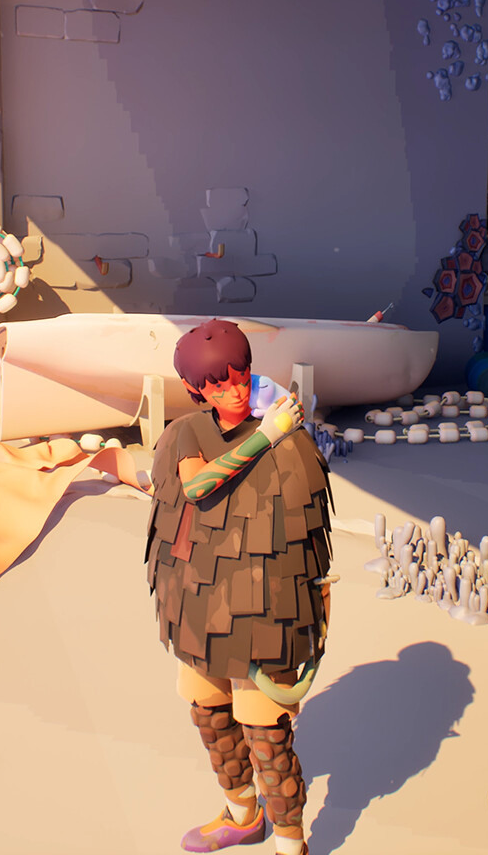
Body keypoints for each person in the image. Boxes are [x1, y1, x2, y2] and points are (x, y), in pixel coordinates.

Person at [146, 318, 334, 855]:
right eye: (217, 384)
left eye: (240, 376)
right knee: (210, 716)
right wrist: (266, 434)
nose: (232, 390)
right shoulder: (188, 433)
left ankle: (291, 844)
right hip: (198, 607)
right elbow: (195, 487)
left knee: (266, 736)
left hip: (265, 614)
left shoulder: (288, 440)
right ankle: (242, 815)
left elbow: (308, 536)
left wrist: (314, 615)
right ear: (196, 389)